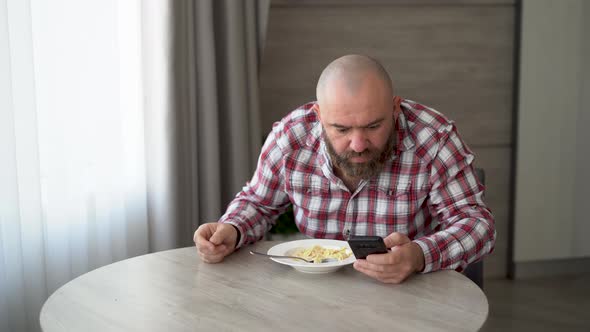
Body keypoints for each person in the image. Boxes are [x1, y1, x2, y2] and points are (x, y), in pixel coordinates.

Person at [194, 54, 496, 284]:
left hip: (409, 289)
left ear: (394, 109)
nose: (359, 144)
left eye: (374, 126)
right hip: (318, 291)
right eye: (340, 129)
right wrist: (231, 229)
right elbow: (258, 204)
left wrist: (419, 255)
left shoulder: (433, 138)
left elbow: (477, 225)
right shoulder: (291, 137)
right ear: (318, 116)